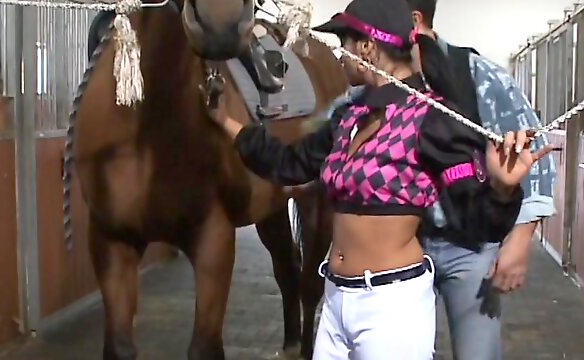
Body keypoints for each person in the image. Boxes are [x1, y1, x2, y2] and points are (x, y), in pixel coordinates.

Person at [202, 0, 551, 358]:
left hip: (389, 308)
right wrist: (227, 123)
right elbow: (290, 164)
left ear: (367, 46)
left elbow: (479, 221)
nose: (341, 57)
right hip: (336, 301)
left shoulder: (432, 119)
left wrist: (502, 186)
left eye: (345, 45)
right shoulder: (349, 117)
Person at [405, 1, 557, 359]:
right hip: (404, 247)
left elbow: (534, 155)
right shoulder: (381, 84)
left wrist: (518, 243)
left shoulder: (478, 74)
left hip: (470, 249)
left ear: (414, 20)